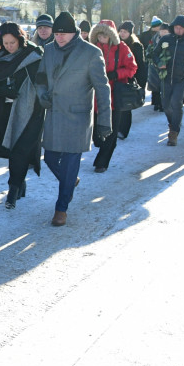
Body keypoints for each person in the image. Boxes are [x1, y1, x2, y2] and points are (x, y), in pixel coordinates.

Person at [34, 11, 111, 226]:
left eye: (63, 34)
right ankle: (70, 181)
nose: (59, 38)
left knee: (69, 162)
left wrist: (105, 120)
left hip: (77, 117)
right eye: (56, 34)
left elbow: (103, 89)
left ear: (74, 33)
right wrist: (42, 96)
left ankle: (61, 208)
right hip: (55, 113)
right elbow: (41, 78)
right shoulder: (48, 50)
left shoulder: (90, 53)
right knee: (49, 158)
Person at [0, 23, 45, 209]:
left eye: (12, 42)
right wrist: (2, 90)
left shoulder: (33, 55)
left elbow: (42, 82)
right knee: (10, 149)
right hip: (5, 109)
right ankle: (20, 183)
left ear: (20, 40)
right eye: (5, 42)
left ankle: (12, 191)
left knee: (20, 149)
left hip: (30, 109)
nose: (9, 46)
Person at [89, 20, 136, 172]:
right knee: (96, 134)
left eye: (105, 34)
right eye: (99, 34)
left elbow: (132, 67)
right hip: (94, 96)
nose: (101, 37)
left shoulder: (122, 48)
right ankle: (100, 147)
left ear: (111, 35)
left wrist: (116, 74)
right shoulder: (91, 48)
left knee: (111, 131)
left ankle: (102, 162)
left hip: (115, 96)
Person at [154, 15, 184, 147]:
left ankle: (174, 132)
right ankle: (172, 123)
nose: (178, 30)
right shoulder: (166, 39)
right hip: (166, 77)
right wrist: (159, 63)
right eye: (176, 27)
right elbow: (155, 54)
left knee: (176, 102)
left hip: (182, 78)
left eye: (181, 28)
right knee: (166, 104)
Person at [117, 21, 146, 140]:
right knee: (117, 104)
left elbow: (141, 66)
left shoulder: (136, 46)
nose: (122, 34)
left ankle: (123, 130)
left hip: (130, 79)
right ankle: (116, 127)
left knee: (126, 105)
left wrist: (141, 83)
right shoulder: (116, 43)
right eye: (121, 31)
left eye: (125, 32)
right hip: (118, 77)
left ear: (130, 33)